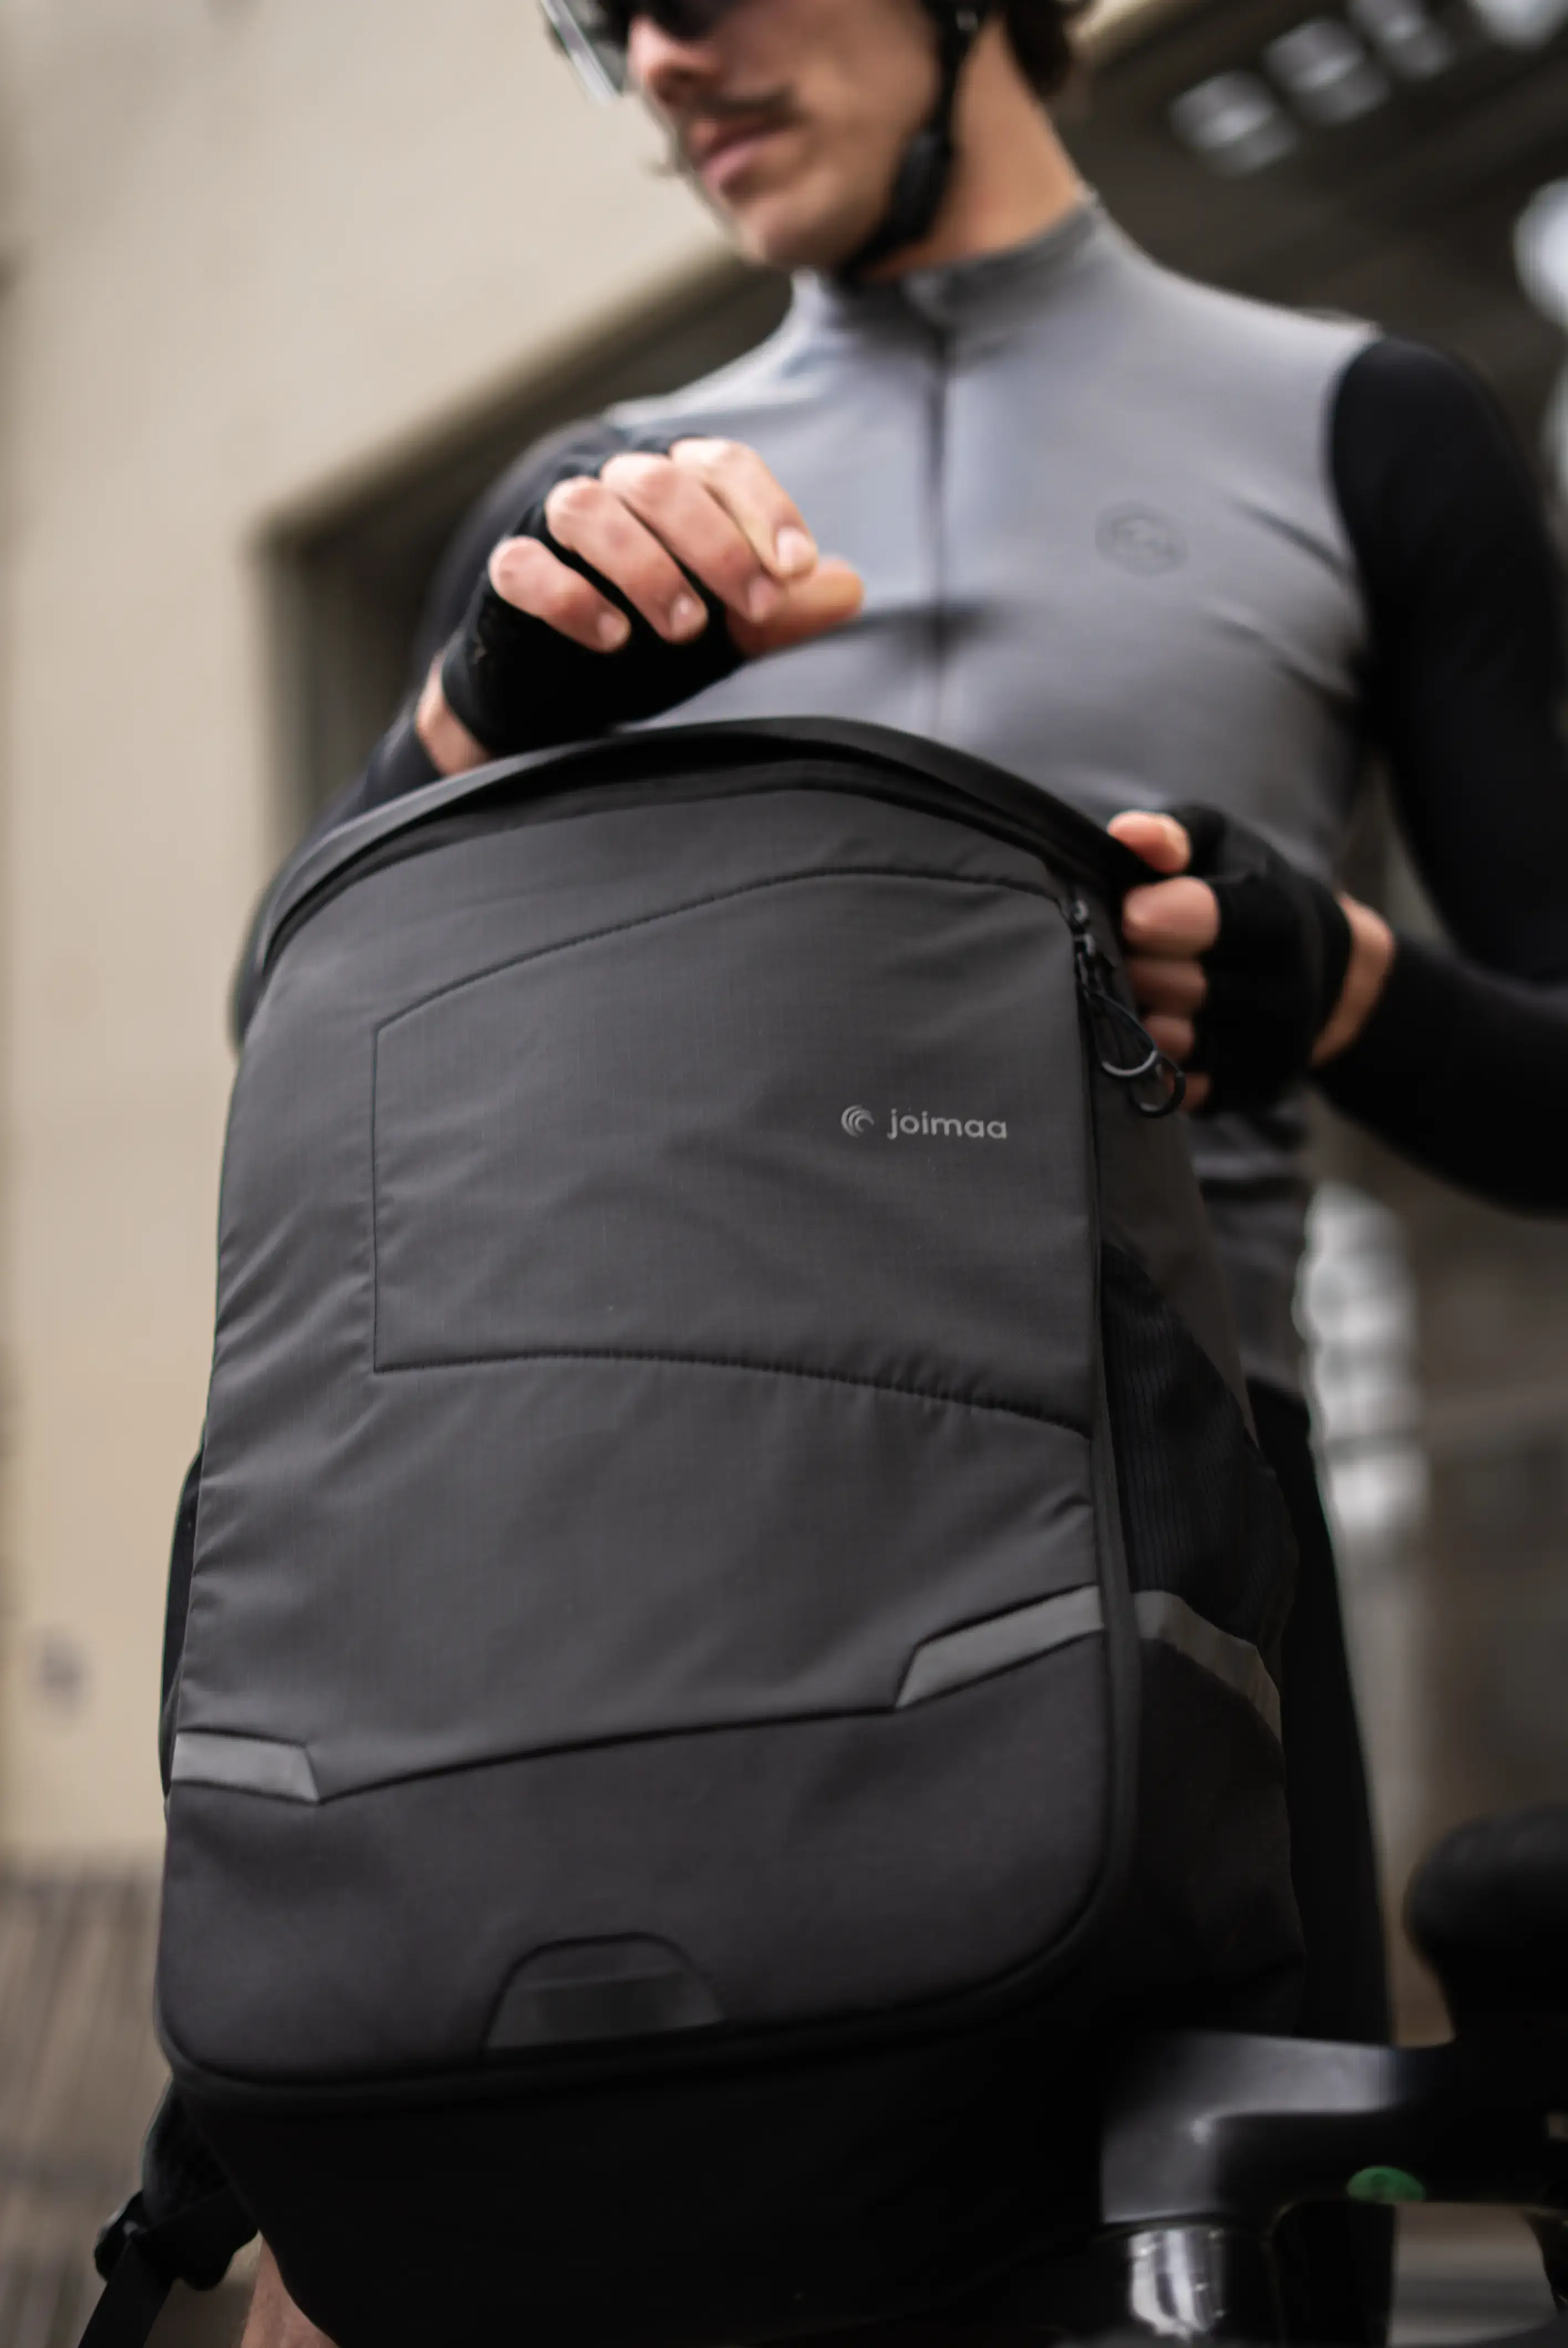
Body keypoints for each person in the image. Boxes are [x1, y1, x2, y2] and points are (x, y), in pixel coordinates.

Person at [241, 2, 1568, 2339]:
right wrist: (472, 721)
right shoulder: (597, 500)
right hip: (640, 1576)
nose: (666, 56)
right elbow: (304, 1034)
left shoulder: (1368, 424)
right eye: (602, 18)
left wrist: (1335, 981)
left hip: (1189, 1569)